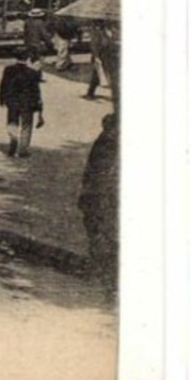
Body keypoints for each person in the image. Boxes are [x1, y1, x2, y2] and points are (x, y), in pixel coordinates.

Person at [79, 112, 118, 295]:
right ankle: (104, 276)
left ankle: (106, 277)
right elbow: (91, 170)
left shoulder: (106, 143)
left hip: (101, 199)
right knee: (99, 234)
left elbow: (91, 170)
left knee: (103, 236)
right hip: (97, 198)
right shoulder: (106, 144)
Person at [0, 50, 45, 158]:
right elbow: (36, 91)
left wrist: (2, 99)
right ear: (27, 59)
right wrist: (39, 106)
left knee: (12, 123)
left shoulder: (8, 70)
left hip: (12, 102)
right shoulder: (32, 72)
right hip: (27, 103)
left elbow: (3, 85)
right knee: (26, 126)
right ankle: (23, 150)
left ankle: (13, 144)